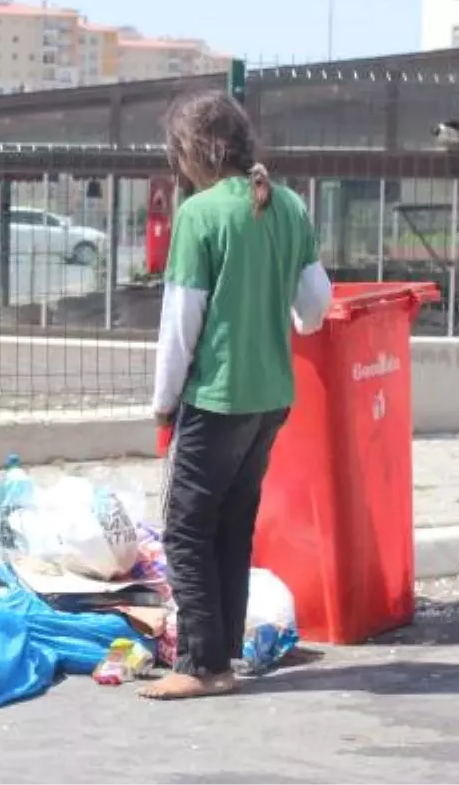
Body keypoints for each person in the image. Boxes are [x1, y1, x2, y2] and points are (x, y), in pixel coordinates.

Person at [140, 91, 333, 701]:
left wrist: (164, 402)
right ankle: (220, 656)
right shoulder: (290, 206)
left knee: (187, 532)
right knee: (232, 525)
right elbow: (316, 308)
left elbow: (181, 322)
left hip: (216, 398)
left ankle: (203, 665)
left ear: (194, 151)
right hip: (271, 397)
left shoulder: (199, 214)